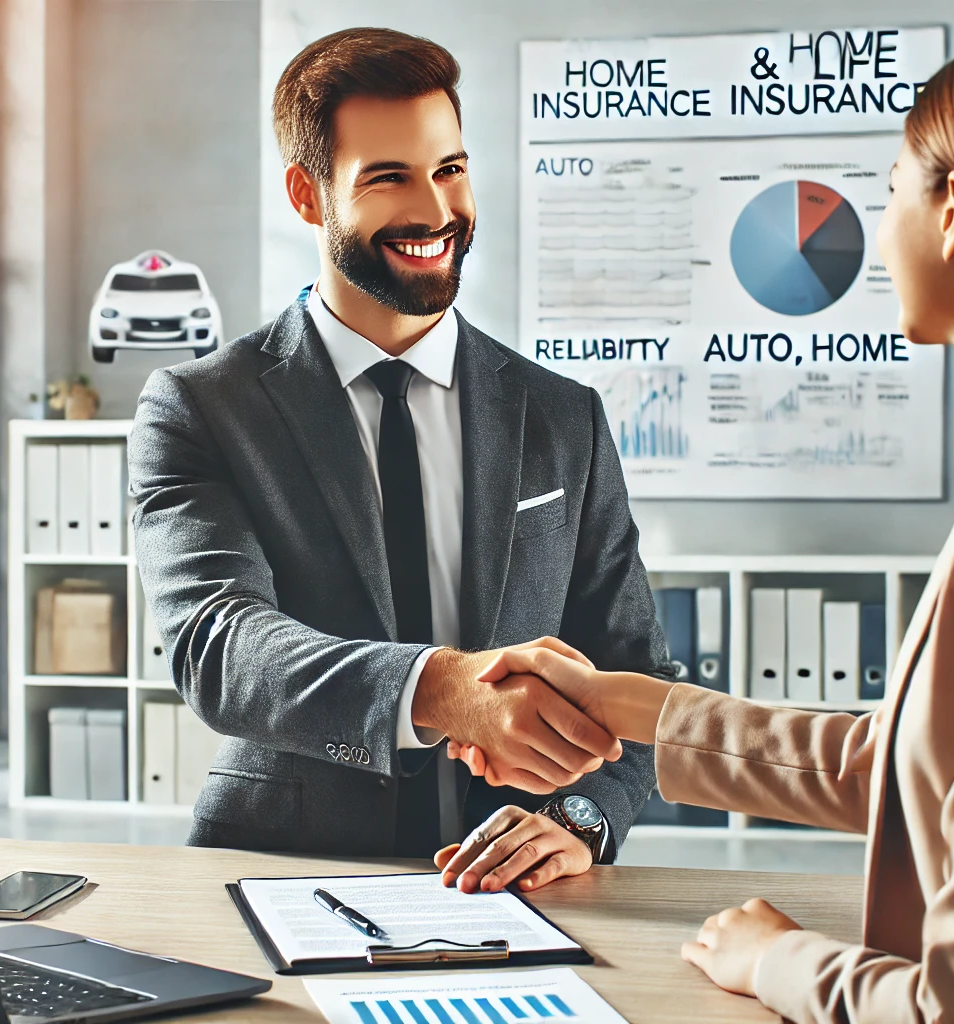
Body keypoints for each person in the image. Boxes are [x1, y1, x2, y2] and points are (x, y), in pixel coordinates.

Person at [445, 28, 954, 1022]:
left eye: (888, 190)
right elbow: (911, 761)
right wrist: (624, 705)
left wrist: (779, 958)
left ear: (953, 207)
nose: (877, 232)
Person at [129, 28, 667, 889]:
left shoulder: (565, 417)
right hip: (283, 871)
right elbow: (219, 646)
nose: (436, 211)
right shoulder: (201, 407)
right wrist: (440, 688)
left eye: (449, 169)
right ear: (308, 195)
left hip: (525, 893)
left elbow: (636, 669)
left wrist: (579, 817)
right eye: (389, 177)